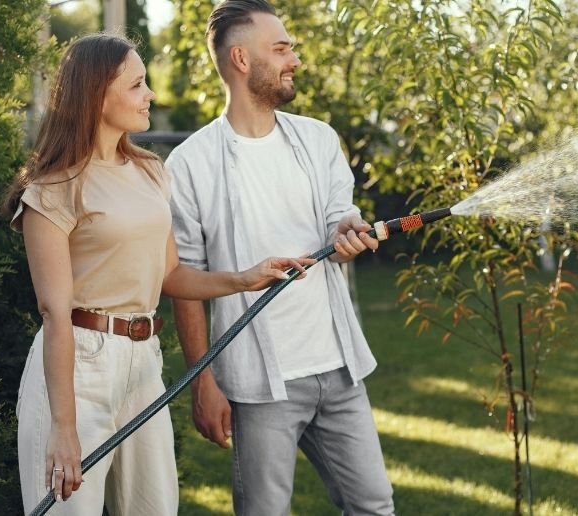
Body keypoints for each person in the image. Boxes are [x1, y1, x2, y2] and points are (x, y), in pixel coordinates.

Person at [2, 33, 314, 515]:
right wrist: (63, 428)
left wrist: (244, 279)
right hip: (78, 370)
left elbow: (168, 274)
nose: (150, 94)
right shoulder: (53, 189)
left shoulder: (149, 169)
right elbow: (54, 312)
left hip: (143, 362)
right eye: (137, 84)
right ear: (96, 95)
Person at [165, 1, 395, 514]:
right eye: (282, 48)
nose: (295, 60)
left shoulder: (316, 140)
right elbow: (184, 281)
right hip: (258, 385)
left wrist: (349, 231)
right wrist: (203, 382)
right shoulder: (190, 165)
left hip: (338, 368)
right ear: (242, 59)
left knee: (374, 505)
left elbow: (342, 216)